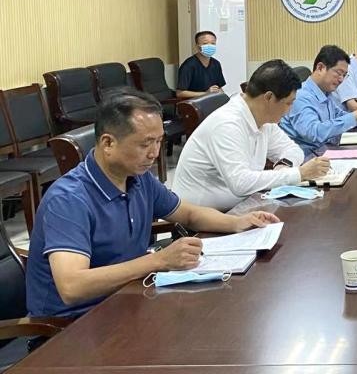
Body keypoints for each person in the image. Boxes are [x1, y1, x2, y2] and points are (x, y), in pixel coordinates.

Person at [26, 88, 280, 318]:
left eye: (159, 141)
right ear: (108, 143)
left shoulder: (138, 178)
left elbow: (188, 214)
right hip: (73, 325)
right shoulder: (69, 199)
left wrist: (237, 222)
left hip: (127, 299)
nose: (154, 153)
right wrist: (158, 260)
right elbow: (72, 286)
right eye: (145, 144)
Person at [172, 60, 331, 211]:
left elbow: (293, 150)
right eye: (288, 103)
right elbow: (241, 183)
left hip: (243, 206)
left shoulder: (264, 119)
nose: (290, 110)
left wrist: (284, 167)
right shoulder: (227, 124)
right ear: (269, 97)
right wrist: (299, 174)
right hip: (205, 219)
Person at [280, 45, 357, 159]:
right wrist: (354, 117)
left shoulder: (325, 92)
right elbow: (314, 133)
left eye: (344, 75)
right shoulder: (300, 97)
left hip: (326, 152)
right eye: (338, 73)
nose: (341, 79)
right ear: (320, 68)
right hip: (308, 159)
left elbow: (338, 114)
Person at [176, 31, 226, 99]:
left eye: (213, 43)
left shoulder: (216, 64)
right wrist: (205, 93)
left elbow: (219, 88)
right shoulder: (189, 65)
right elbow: (180, 93)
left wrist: (225, 98)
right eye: (205, 43)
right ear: (197, 46)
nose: (209, 46)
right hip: (194, 102)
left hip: (212, 100)